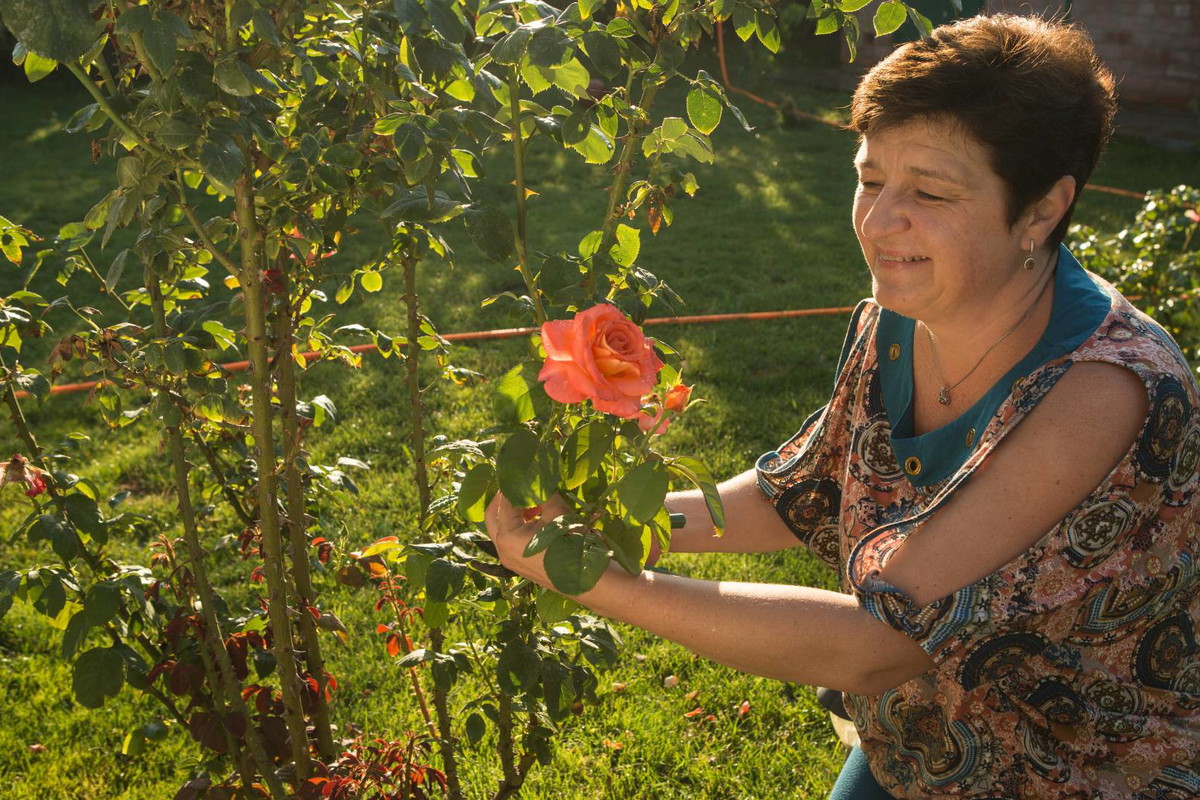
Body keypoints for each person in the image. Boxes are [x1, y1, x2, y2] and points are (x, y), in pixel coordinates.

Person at [485, 14, 1200, 799]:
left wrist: (588, 576)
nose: (877, 220)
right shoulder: (898, 317)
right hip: (925, 734)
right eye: (869, 179)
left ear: (1040, 210)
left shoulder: (1105, 391)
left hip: (1082, 767)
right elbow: (800, 492)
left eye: (927, 191)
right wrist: (610, 524)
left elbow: (877, 644)